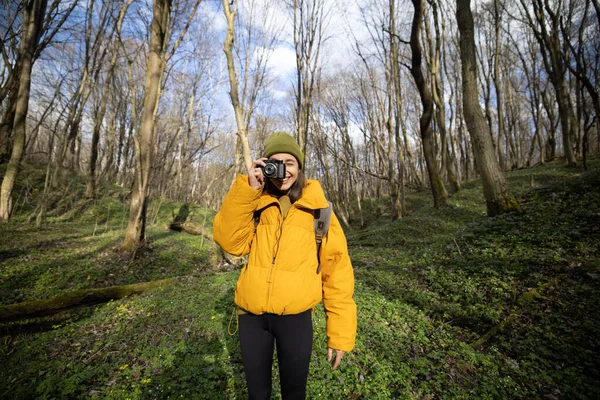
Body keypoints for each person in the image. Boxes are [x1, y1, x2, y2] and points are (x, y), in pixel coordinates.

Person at [213, 132, 357, 400]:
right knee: (258, 395)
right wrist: (248, 189)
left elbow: (336, 269)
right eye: (275, 163)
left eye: (289, 162)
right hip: (252, 318)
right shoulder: (255, 201)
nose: (283, 171)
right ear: (265, 165)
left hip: (295, 320)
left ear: (300, 167)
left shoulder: (319, 209)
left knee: (294, 394)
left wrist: (339, 332)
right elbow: (230, 242)